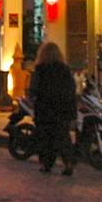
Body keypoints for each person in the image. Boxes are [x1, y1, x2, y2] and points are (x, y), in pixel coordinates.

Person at [26, 40, 77, 175]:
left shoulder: (40, 69)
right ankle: (68, 163)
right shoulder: (64, 69)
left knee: (46, 137)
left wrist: (31, 98)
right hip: (62, 108)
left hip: (45, 108)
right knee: (63, 136)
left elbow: (34, 88)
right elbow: (72, 88)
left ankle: (47, 164)